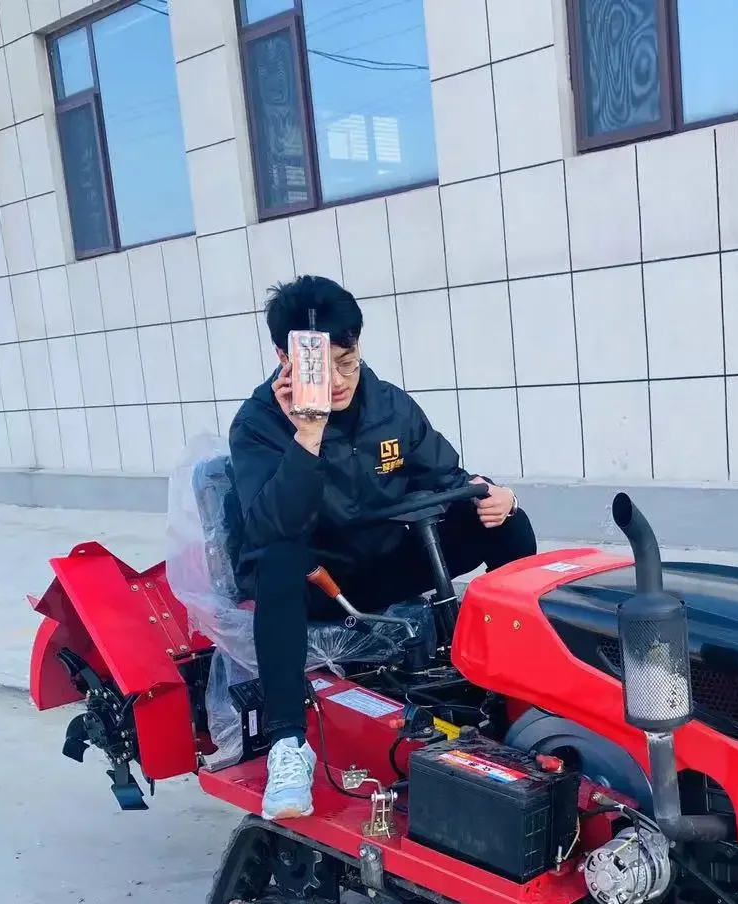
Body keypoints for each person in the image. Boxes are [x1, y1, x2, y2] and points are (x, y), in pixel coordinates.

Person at [228, 275, 537, 820]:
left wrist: (495, 496)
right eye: (328, 367)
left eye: (348, 361)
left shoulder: (390, 406)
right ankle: (287, 746)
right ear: (285, 356)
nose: (342, 380)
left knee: (505, 522)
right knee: (276, 560)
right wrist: (308, 433)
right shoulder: (258, 424)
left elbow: (446, 478)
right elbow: (271, 525)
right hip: (315, 580)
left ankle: (518, 691)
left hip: (385, 559)